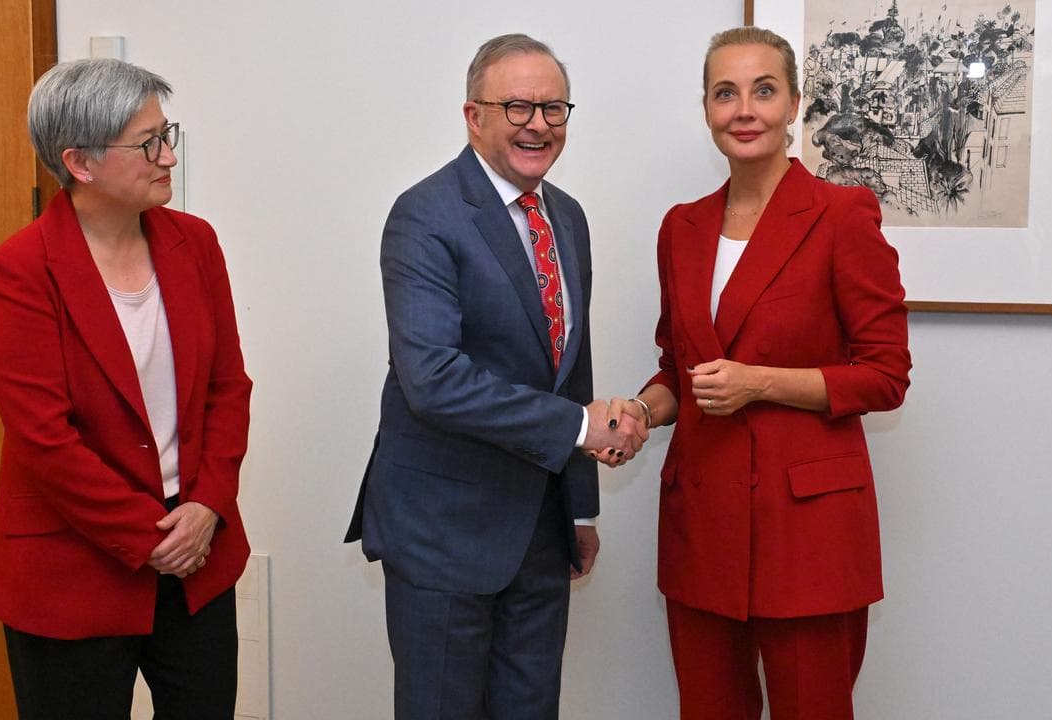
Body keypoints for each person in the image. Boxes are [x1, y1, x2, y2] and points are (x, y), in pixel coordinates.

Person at [604, 26, 911, 720]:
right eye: (726, 93)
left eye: (764, 90)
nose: (745, 109)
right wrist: (642, 412)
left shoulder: (842, 216)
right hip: (702, 523)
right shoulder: (680, 227)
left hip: (808, 532)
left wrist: (760, 382)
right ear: (707, 108)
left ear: (795, 103)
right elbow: (679, 372)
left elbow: (886, 375)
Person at [344, 33, 645, 720]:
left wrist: (581, 506)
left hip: (540, 531)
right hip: (442, 533)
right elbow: (434, 379)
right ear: (472, 116)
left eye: (553, 107)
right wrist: (579, 428)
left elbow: (572, 365)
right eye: (516, 106)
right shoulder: (424, 215)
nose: (537, 123)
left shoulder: (566, 217)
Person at [0, 58, 252, 720]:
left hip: (198, 557)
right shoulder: (19, 272)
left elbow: (228, 389)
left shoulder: (197, 244)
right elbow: (45, 441)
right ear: (80, 162)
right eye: (148, 143)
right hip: (73, 570)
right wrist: (154, 537)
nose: (168, 155)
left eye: (168, 132)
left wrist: (208, 506)